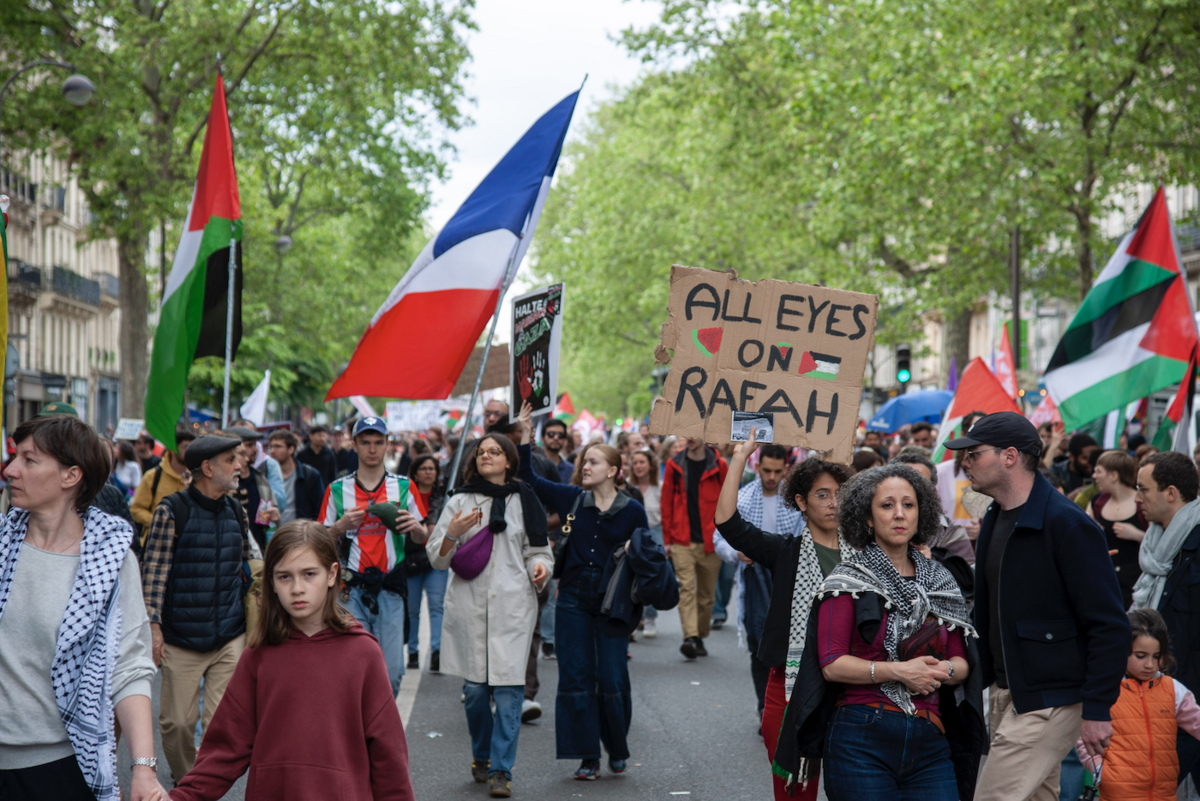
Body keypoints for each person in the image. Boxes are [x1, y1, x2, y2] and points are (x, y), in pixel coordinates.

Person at [946, 412, 1130, 801]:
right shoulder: (996, 516)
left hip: (1052, 698)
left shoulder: (1068, 524)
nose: (964, 462)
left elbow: (1110, 625)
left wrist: (1097, 708)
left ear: (1009, 456)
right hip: (1007, 692)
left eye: (974, 453)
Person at [168, 521, 414, 801]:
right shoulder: (257, 656)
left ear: (332, 573)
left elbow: (389, 757)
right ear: (271, 582)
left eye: (309, 574)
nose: (297, 588)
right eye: (284, 577)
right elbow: (225, 750)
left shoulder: (363, 654)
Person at [0, 414, 164, 801]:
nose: (10, 470)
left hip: (57, 768)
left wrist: (143, 768)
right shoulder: (2, 545)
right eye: (14, 458)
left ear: (70, 476)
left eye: (29, 460)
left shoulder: (111, 562)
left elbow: (129, 667)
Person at [714, 434, 853, 801]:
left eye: (839, 493)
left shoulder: (866, 556)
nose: (833, 502)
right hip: (789, 686)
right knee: (794, 789)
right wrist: (741, 457)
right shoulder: (784, 551)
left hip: (851, 690)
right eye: (822, 494)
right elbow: (728, 523)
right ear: (801, 502)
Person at [516, 402, 647, 781]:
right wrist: (526, 433)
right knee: (575, 677)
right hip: (572, 597)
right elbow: (528, 478)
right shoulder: (572, 497)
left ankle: (617, 748)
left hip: (613, 603)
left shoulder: (632, 511)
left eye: (594, 461)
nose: (585, 466)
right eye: (584, 460)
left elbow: (647, 559)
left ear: (613, 471)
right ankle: (588, 756)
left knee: (611, 677)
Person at [427, 426, 551, 798]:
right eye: (482, 451)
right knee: (477, 692)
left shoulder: (526, 498)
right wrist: (452, 533)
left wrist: (541, 569)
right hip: (469, 607)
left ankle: (501, 769)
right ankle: (481, 755)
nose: (487, 456)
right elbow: (436, 558)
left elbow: (538, 551)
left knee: (511, 693)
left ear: (509, 461)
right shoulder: (459, 501)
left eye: (495, 451)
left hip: (513, 607)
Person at [141, 434, 257, 785]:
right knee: (176, 723)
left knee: (221, 723)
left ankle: (205, 786)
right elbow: (154, 575)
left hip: (229, 637)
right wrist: (154, 628)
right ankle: (187, 779)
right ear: (206, 468)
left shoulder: (237, 510)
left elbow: (248, 566)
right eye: (230, 460)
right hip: (181, 638)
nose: (240, 466)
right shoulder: (170, 510)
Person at [320, 416, 426, 695]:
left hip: (391, 589)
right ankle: (357, 734)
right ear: (353, 445)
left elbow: (421, 536)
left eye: (379, 442)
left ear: (387, 445)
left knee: (391, 674)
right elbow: (319, 541)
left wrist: (416, 528)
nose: (372, 449)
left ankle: (382, 735)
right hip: (349, 591)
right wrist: (340, 527)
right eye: (365, 442)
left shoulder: (404, 486)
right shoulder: (337, 489)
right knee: (352, 673)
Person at [1075, 608, 1200, 800]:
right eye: (1141, 656)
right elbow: (1084, 737)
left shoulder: (1173, 689)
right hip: (1118, 792)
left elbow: (1197, 722)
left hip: (1163, 793)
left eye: (1156, 656)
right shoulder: (1103, 691)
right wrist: (1100, 771)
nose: (1150, 664)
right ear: (1120, 652)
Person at [1130, 451, 1200, 786]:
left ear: (1170, 493)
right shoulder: (1155, 547)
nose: (1137, 497)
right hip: (1157, 695)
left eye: (1143, 489)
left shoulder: (1196, 545)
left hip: (1189, 699)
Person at [661, 436, 728, 659]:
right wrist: (667, 539)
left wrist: (727, 536)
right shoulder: (674, 464)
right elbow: (667, 502)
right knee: (687, 590)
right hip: (682, 539)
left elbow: (728, 501)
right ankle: (690, 637)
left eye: (693, 433)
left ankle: (699, 635)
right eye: (685, 433)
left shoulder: (719, 465)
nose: (688, 438)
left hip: (712, 540)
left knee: (707, 596)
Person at [1087, 450, 1147, 609]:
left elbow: (1160, 541)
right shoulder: (1097, 503)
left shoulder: (1142, 503)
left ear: (1114, 476)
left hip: (1136, 586)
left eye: (1098, 471)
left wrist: (1136, 535)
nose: (1094, 476)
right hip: (1104, 583)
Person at [405, 454, 448, 673]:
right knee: (412, 609)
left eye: (432, 468)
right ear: (415, 472)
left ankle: (437, 652)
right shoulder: (405, 495)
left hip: (435, 560)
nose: (428, 472)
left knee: (436, 607)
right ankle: (412, 651)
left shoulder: (443, 496)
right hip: (411, 561)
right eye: (424, 468)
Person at [935, 410, 988, 547]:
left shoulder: (994, 474)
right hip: (949, 550)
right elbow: (931, 515)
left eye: (985, 431)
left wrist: (983, 529)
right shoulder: (941, 472)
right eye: (976, 428)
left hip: (980, 549)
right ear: (963, 435)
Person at [131, 429, 196, 540]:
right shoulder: (153, 476)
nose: (190, 452)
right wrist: (158, 522)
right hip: (156, 543)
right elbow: (136, 509)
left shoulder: (196, 478)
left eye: (192, 448)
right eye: (186, 447)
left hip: (187, 543)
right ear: (173, 449)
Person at [229, 427, 280, 552]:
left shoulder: (260, 478)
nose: (255, 449)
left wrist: (275, 518)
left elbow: (274, 514)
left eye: (255, 444)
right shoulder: (227, 482)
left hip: (261, 551)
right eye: (249, 445)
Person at [629, 448, 663, 637]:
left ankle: (650, 618)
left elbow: (666, 515)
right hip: (634, 533)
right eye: (635, 463)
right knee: (632, 577)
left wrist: (667, 542)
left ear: (650, 465)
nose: (638, 466)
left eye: (642, 462)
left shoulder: (660, 486)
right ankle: (633, 620)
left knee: (652, 577)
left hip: (655, 532)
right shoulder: (628, 487)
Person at [266, 429, 325, 526]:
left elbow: (320, 511)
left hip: (301, 535)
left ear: (291, 449)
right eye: (271, 447)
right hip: (273, 535)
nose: (272, 451)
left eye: (278, 446)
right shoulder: (264, 475)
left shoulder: (309, 475)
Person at [539, 418, 574, 484]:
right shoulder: (533, 466)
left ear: (564, 439)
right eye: (551, 434)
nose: (556, 438)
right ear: (542, 438)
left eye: (560, 435)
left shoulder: (571, 470)